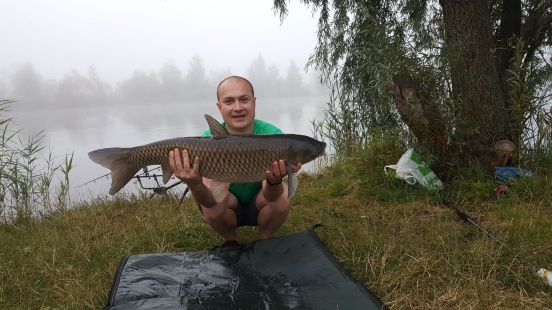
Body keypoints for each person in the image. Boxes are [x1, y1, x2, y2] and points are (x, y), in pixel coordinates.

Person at [168, 76, 302, 246]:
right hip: (226, 205)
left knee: (282, 194)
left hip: (260, 203)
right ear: (219, 107)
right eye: (229, 101)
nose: (238, 108)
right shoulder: (205, 144)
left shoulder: (273, 137)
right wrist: (194, 184)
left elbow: (271, 196)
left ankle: (264, 239)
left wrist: (274, 181)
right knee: (213, 203)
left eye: (244, 99)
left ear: (254, 102)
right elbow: (209, 202)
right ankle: (231, 242)